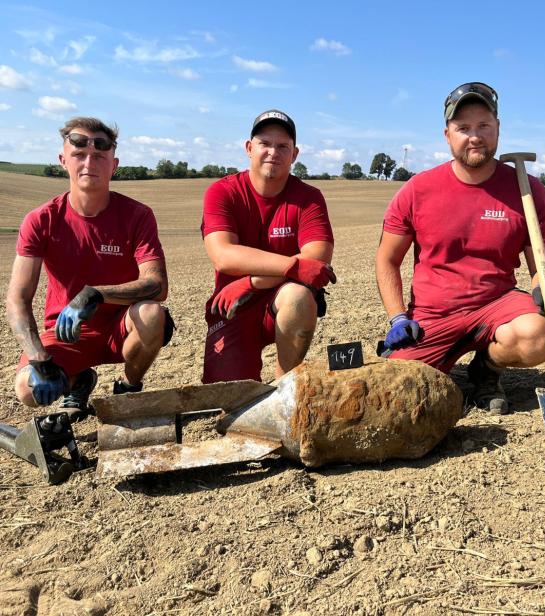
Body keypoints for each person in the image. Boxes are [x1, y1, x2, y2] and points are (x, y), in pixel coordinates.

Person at [375, 82, 545, 414]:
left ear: (498, 130)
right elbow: (387, 260)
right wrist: (397, 317)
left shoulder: (527, 191)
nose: (474, 136)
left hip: (497, 305)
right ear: (447, 134)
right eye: (463, 127)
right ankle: (438, 362)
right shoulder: (417, 190)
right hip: (434, 313)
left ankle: (485, 371)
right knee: (396, 392)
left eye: (484, 126)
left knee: (537, 335)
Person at [6, 117, 173, 421]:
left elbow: (156, 285)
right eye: (79, 155)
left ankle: (128, 387)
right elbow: (17, 300)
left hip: (122, 327)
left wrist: (96, 295)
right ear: (62, 161)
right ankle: (78, 380)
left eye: (99, 156)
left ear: (114, 164)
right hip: (68, 333)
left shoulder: (137, 215)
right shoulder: (41, 220)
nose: (88, 163)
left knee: (152, 313)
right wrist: (39, 359)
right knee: (26, 389)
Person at [201, 109, 335, 383]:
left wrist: (251, 282)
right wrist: (291, 265)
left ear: (294, 154)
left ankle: (284, 385)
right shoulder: (222, 192)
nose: (273, 151)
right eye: (265, 143)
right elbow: (224, 256)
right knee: (229, 396)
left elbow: (316, 259)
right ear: (249, 148)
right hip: (233, 307)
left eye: (283, 146)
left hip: (279, 298)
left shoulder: (309, 198)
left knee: (299, 296)